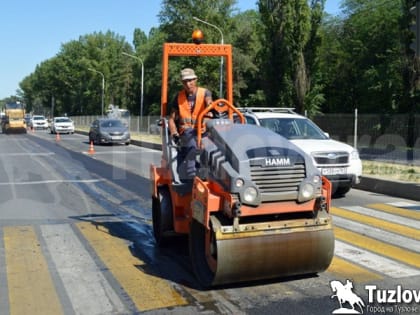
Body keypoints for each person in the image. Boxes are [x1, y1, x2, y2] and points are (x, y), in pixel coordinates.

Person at [168, 68, 213, 182]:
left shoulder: (205, 93)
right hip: (185, 134)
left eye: (190, 80)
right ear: (182, 83)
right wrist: (174, 133)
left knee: (211, 147)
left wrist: (210, 105)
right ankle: (191, 176)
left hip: (203, 133)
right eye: (185, 81)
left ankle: (206, 176)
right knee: (192, 141)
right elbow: (172, 119)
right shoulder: (178, 97)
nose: (188, 84)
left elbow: (209, 103)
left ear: (195, 79)